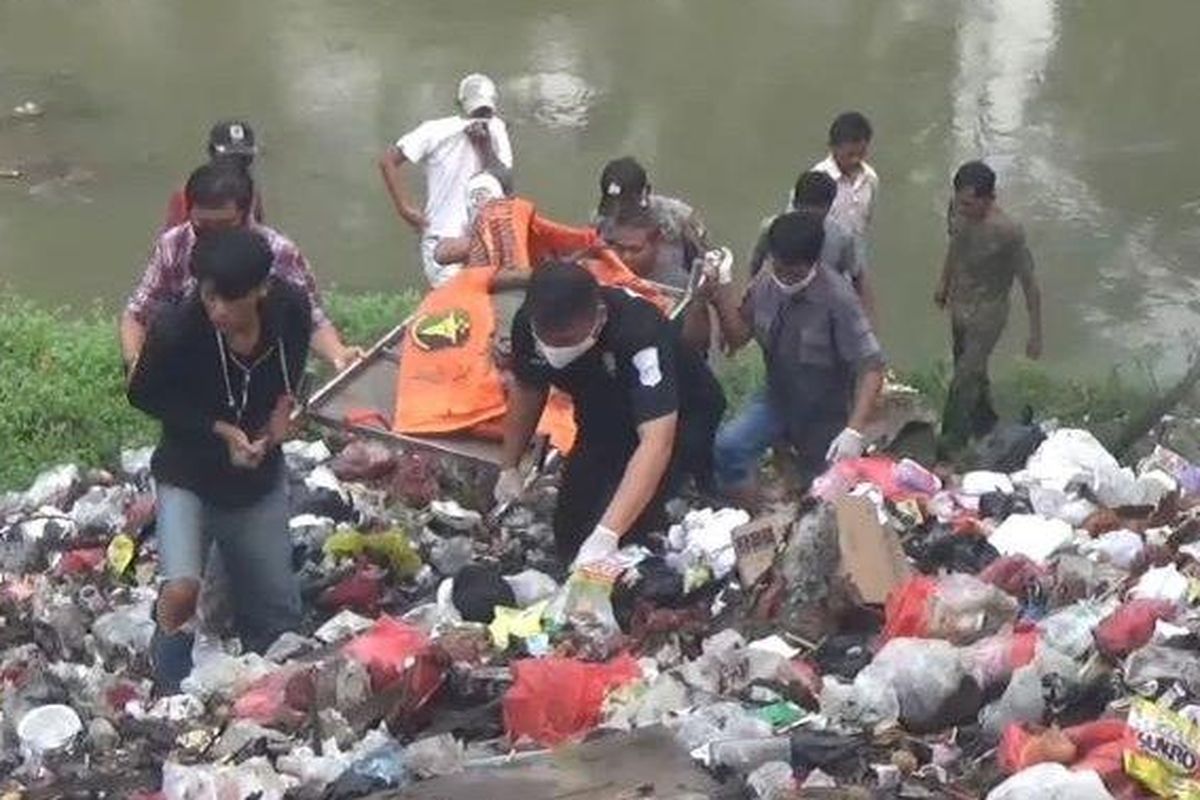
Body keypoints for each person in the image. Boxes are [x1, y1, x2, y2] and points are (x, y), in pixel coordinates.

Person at [127, 227, 308, 692]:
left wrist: (280, 421)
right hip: (188, 471)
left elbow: (292, 378)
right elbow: (143, 394)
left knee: (278, 618)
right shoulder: (178, 327)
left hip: (256, 479)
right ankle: (165, 683)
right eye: (210, 297)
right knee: (183, 588)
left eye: (231, 300)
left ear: (262, 290)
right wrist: (221, 429)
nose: (219, 311)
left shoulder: (290, 310)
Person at [493, 260, 725, 567]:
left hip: (678, 414)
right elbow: (529, 387)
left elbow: (656, 442)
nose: (554, 349)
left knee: (628, 531)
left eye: (565, 342)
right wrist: (509, 467)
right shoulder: (530, 324)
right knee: (571, 529)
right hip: (601, 410)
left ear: (598, 318)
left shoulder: (639, 333)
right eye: (547, 339)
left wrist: (608, 534)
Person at [707, 211, 885, 503]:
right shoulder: (765, 284)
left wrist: (854, 429)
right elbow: (738, 337)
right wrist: (720, 290)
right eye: (780, 268)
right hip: (778, 397)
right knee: (729, 447)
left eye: (795, 273)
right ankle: (753, 515)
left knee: (822, 494)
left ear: (814, 262)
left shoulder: (838, 300)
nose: (785, 278)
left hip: (826, 413)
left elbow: (871, 366)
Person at [121, 161, 361, 373]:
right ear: (190, 212)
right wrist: (135, 364)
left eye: (225, 225)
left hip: (260, 368)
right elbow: (138, 313)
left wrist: (337, 353)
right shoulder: (173, 245)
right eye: (203, 225)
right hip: (194, 368)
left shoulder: (278, 251)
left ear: (246, 214)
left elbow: (311, 317)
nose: (213, 234)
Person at [934, 160, 1043, 452]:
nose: (964, 210)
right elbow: (955, 246)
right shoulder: (956, 211)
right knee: (969, 370)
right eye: (960, 203)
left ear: (989, 198)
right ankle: (985, 422)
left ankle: (949, 445)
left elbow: (1029, 283)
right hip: (960, 305)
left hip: (988, 314)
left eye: (970, 204)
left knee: (963, 380)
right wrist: (943, 282)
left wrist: (1035, 333)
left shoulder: (1008, 232)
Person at [379, 73, 514, 287]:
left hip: (483, 241)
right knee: (453, 303)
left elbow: (505, 185)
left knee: (481, 305)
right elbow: (388, 160)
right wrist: (406, 209)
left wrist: (484, 145)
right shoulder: (435, 131)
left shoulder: (496, 130)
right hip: (442, 239)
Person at [748, 170, 877, 325]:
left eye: (815, 217)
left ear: (829, 207)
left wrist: (863, 320)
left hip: (823, 312)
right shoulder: (772, 228)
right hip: (779, 308)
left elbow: (857, 278)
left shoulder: (843, 237)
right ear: (795, 203)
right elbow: (755, 266)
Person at [594, 156, 710, 290]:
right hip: (621, 287)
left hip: (671, 287)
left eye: (626, 203)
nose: (619, 210)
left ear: (646, 191)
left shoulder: (678, 217)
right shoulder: (601, 221)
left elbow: (705, 262)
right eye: (612, 203)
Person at [163, 120, 265, 231]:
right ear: (212, 152)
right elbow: (171, 239)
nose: (236, 164)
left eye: (243, 158)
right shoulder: (187, 194)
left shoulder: (253, 194)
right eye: (229, 158)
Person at [812, 111, 879, 269]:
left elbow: (866, 220)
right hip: (821, 264)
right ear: (833, 147)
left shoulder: (871, 179)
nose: (856, 160)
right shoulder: (816, 179)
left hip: (855, 262)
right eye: (849, 154)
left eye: (861, 153)